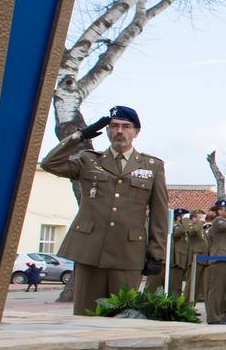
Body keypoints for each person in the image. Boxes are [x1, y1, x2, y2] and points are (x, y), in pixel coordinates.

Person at [39, 105, 170, 315]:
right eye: (114, 126)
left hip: (128, 252)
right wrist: (79, 136)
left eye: (126, 126)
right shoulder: (88, 160)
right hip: (90, 250)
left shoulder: (151, 165)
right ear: (107, 131)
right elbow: (49, 164)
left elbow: (159, 213)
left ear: (136, 132)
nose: (120, 131)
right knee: (85, 315)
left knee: (123, 316)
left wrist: (156, 253)